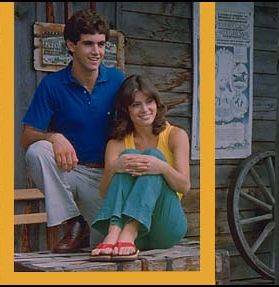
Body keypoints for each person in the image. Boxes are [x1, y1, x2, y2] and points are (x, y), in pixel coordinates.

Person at [21, 10, 125, 253]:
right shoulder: (52, 85)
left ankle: (89, 230)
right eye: (88, 44)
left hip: (105, 178)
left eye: (101, 44)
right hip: (69, 173)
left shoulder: (117, 80)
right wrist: (54, 136)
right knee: (38, 151)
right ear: (71, 45)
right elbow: (27, 136)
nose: (96, 52)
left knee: (107, 248)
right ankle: (73, 222)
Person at [90, 74, 190, 261]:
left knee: (154, 156)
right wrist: (114, 168)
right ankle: (114, 232)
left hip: (164, 226)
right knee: (127, 157)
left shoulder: (175, 135)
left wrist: (162, 167)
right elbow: (104, 193)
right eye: (136, 104)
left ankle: (130, 229)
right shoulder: (116, 143)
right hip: (127, 242)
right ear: (126, 109)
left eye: (149, 102)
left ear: (157, 103)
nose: (145, 109)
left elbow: (184, 186)